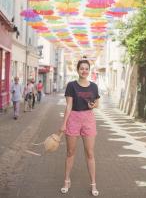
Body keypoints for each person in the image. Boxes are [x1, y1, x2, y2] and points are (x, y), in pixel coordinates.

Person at [60, 59, 100, 196]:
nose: (84, 70)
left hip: (89, 119)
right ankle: (66, 180)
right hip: (73, 119)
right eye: (81, 68)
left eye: (86, 68)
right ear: (77, 70)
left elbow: (97, 103)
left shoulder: (94, 86)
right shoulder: (71, 85)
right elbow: (69, 105)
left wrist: (93, 105)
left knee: (90, 153)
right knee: (70, 152)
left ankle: (93, 184)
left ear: (89, 70)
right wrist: (64, 123)